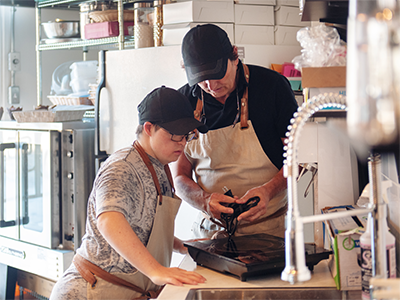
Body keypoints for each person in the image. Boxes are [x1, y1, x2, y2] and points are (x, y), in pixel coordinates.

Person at [50, 86, 207, 300]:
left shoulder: (159, 166)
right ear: (149, 128)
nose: (182, 143)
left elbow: (143, 228)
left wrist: (181, 246)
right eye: (174, 135)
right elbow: (109, 221)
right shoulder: (122, 167)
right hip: (90, 291)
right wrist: (156, 271)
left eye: (186, 136)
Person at [172, 24, 299, 239]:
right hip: (210, 232)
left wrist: (268, 191)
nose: (211, 86)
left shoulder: (273, 87)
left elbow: (297, 160)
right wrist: (203, 200)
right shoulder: (184, 101)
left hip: (271, 230)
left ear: (235, 55)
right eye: (201, 79)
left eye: (217, 75)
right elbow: (179, 177)